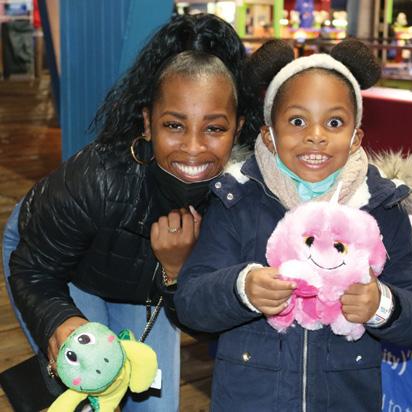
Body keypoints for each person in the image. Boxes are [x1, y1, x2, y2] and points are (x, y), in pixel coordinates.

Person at [174, 39, 412, 411]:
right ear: (269, 135)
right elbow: (191, 303)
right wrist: (241, 288)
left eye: (334, 122)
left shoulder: (381, 208)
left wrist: (382, 305)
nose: (316, 135)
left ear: (356, 137)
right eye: (297, 121)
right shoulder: (238, 200)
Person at [6, 13, 249, 412]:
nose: (193, 147)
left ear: (237, 129)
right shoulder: (98, 179)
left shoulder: (236, 200)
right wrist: (60, 321)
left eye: (214, 128)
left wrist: (177, 271)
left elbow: (205, 324)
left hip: (146, 289)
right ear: (148, 123)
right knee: (88, 395)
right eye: (174, 125)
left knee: (154, 407)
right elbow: (35, 268)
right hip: (61, 267)